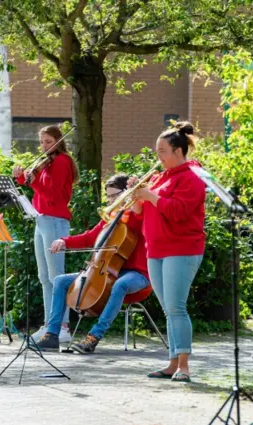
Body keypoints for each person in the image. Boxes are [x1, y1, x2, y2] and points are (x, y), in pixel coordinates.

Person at [34, 174, 150, 353]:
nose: (111, 200)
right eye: (109, 196)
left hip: (137, 274)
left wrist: (135, 197)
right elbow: (90, 237)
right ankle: (52, 335)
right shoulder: (111, 216)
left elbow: (140, 215)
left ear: (127, 193)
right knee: (60, 281)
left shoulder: (137, 214)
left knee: (120, 284)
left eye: (114, 195)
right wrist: (65, 241)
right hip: (107, 271)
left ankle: (94, 337)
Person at [130, 121, 207, 383]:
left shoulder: (192, 176)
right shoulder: (160, 177)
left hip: (182, 248)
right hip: (157, 248)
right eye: (157, 151)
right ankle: (173, 363)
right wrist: (137, 198)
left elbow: (177, 212)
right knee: (168, 310)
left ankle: (184, 366)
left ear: (178, 151)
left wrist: (151, 196)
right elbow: (140, 214)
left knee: (176, 308)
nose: (158, 157)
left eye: (162, 151)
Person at [13, 125, 80, 343]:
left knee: (56, 276)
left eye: (48, 142)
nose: (44, 146)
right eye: (41, 142)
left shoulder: (61, 162)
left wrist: (33, 181)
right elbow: (37, 187)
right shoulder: (46, 162)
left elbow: (51, 194)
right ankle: (48, 325)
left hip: (55, 219)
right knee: (45, 277)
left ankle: (62, 326)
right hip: (41, 219)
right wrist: (22, 178)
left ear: (59, 141)